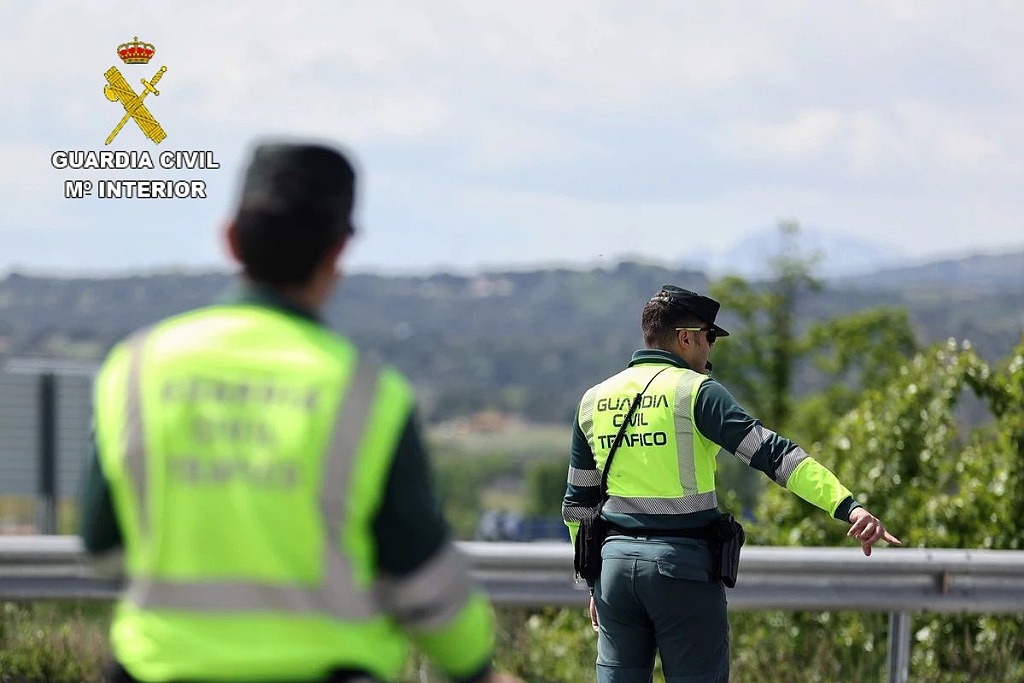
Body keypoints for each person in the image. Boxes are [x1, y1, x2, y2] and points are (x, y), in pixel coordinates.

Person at [79, 140, 520, 683]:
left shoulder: (135, 368)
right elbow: (421, 578)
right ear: (337, 253)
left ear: (229, 238)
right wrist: (474, 666)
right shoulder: (367, 394)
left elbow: (102, 546)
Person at [561, 284, 901, 683]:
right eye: (709, 337)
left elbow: (577, 506)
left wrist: (593, 583)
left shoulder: (594, 400)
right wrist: (847, 506)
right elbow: (774, 455)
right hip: (681, 571)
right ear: (685, 338)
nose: (710, 349)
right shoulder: (696, 393)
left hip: (615, 573)